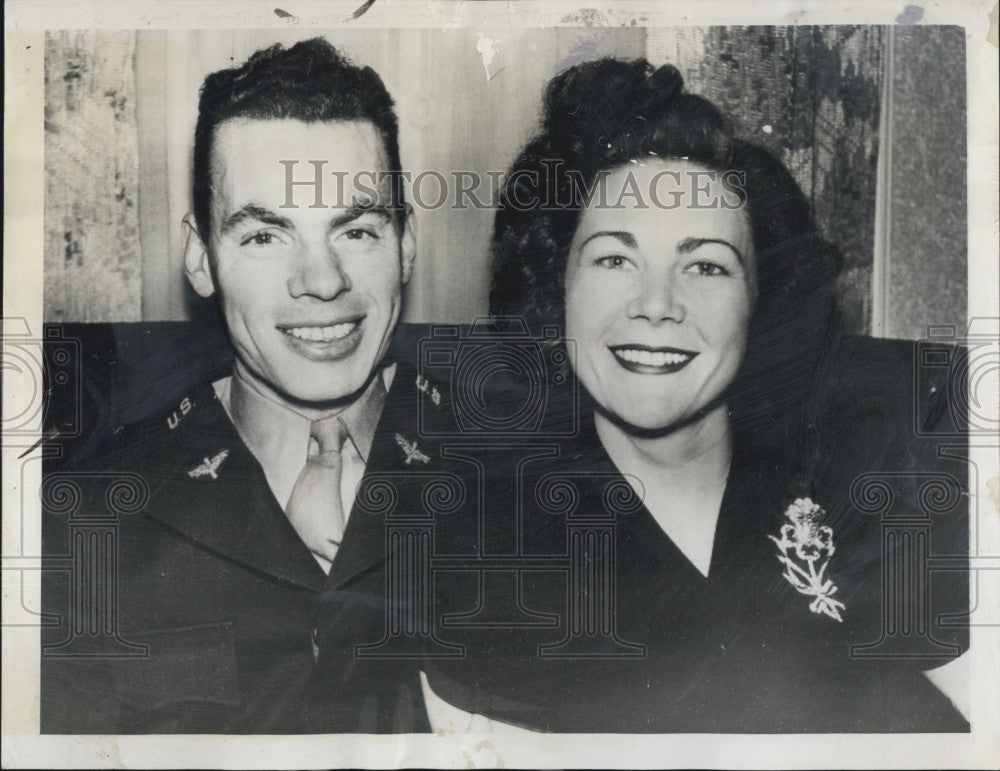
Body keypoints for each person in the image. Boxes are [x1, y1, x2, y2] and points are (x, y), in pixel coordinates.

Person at [423, 58, 970, 732]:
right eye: (614, 258)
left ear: (760, 300)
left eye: (707, 264)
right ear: (554, 287)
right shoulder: (481, 560)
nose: (657, 305)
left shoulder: (869, 473)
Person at [41, 38, 447, 733]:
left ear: (405, 247)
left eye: (356, 230)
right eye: (266, 236)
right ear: (202, 260)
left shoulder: (525, 484)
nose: (322, 281)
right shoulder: (83, 522)